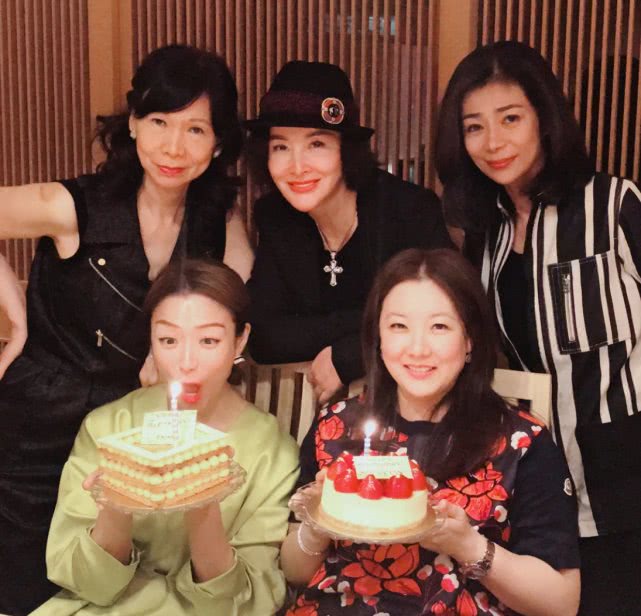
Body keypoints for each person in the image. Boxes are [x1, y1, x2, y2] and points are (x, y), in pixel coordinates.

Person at [0, 44, 253, 615]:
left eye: (195, 129)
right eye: (159, 121)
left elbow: (235, 299)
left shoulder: (216, 221)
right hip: (36, 430)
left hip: (130, 436)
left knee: (115, 589)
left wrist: (171, 355)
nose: (174, 147)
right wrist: (15, 313)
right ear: (133, 123)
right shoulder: (72, 206)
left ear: (218, 144)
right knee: (25, 592)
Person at [435, 40, 641, 615]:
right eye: (474, 127)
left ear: (545, 119)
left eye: (510, 118)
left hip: (626, 473)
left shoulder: (612, 206)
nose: (493, 142)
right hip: (541, 478)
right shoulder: (488, 236)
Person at [281, 248, 580, 615]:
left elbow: (561, 603)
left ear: (469, 339)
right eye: (398, 326)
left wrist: (469, 546)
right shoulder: (334, 426)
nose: (418, 348)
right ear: (378, 337)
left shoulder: (522, 443)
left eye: (439, 326)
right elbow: (295, 572)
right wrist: (317, 525)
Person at [32, 258, 299, 616]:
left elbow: (247, 600)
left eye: (208, 340)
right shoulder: (110, 427)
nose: (186, 362)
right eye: (168, 340)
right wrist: (115, 506)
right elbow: (84, 582)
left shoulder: (271, 449)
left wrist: (202, 500)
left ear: (240, 341)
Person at [245, 61, 452, 403]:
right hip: (325, 412)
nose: (297, 166)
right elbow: (264, 337)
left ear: (346, 149)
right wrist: (374, 323)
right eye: (281, 147)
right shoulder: (276, 217)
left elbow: (448, 318)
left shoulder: (408, 211)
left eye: (316, 144)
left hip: (417, 402)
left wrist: (350, 355)